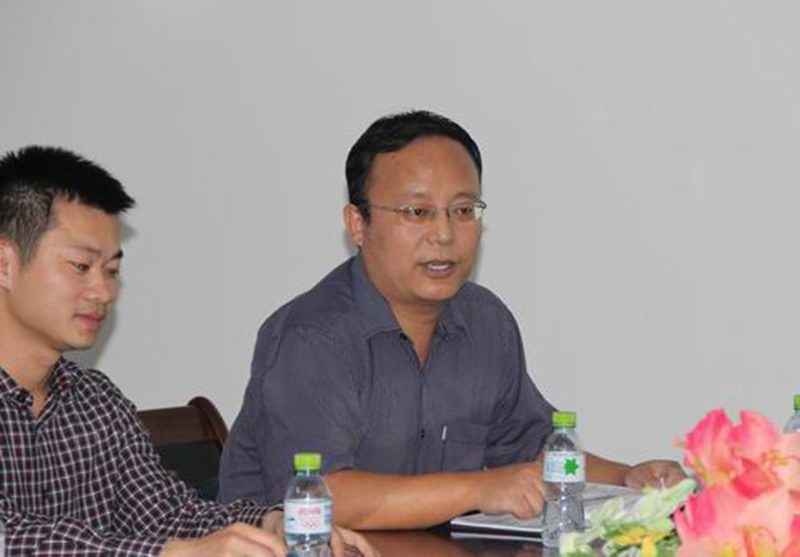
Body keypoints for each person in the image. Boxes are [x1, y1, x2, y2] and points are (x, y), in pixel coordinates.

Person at [218, 110, 685, 530]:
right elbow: (319, 498)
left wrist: (628, 477)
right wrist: (479, 488)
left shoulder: (486, 323)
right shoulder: (313, 337)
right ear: (358, 224)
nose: (444, 234)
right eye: (417, 212)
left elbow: (533, 449)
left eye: (463, 211)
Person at [0, 146, 375, 556]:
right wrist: (170, 554)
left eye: (112, 271)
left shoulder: (95, 401)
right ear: (4, 263)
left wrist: (273, 523)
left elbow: (171, 516)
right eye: (81, 266)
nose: (103, 292)